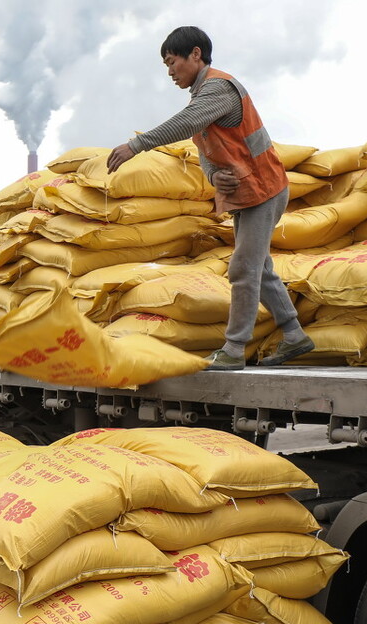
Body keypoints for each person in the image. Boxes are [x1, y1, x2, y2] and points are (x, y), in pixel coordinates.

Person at [106, 26, 314, 371]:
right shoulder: (203, 98)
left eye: (172, 63)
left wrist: (137, 145)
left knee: (243, 269)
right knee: (259, 268)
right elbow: (205, 152)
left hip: (264, 189)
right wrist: (214, 176)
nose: (170, 72)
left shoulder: (218, 88)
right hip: (248, 192)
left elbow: (185, 124)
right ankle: (294, 336)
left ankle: (233, 349)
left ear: (196, 54)